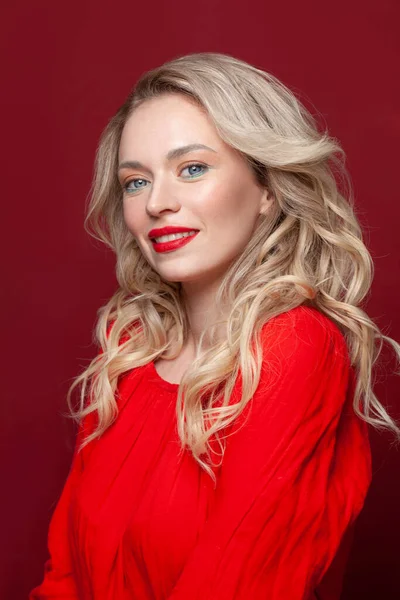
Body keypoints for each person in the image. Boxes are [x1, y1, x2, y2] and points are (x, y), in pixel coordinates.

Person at [29, 52, 400, 600]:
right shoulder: (130, 350)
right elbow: (64, 576)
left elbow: (237, 582)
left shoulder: (297, 346)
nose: (157, 203)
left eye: (193, 169)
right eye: (135, 182)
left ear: (268, 189)